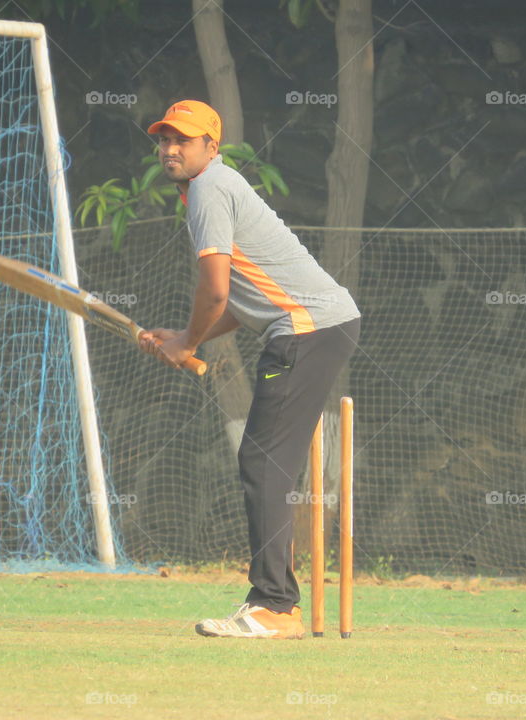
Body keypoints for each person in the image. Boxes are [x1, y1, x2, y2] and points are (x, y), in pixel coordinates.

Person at [139, 100, 360, 639]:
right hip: (315, 327)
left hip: (305, 330)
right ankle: (275, 603)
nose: (170, 149)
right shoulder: (214, 186)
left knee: (263, 465)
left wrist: (187, 341)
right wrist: (183, 337)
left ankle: (276, 608)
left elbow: (215, 290)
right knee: (267, 463)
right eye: (164, 139)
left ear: (210, 147)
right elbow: (242, 301)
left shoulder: (210, 189)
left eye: (183, 140)